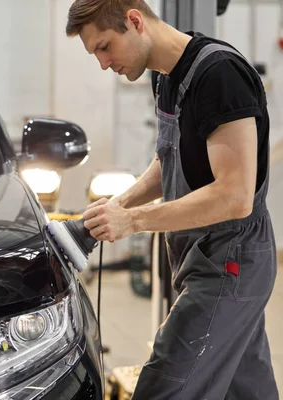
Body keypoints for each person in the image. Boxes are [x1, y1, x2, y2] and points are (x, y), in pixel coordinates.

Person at [66, 0, 279, 399]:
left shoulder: (219, 76)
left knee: (164, 386)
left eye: (104, 47)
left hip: (230, 262)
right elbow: (171, 158)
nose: (102, 63)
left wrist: (133, 222)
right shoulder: (164, 77)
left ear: (134, 21)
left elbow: (235, 197)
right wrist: (121, 203)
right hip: (196, 255)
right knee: (245, 389)